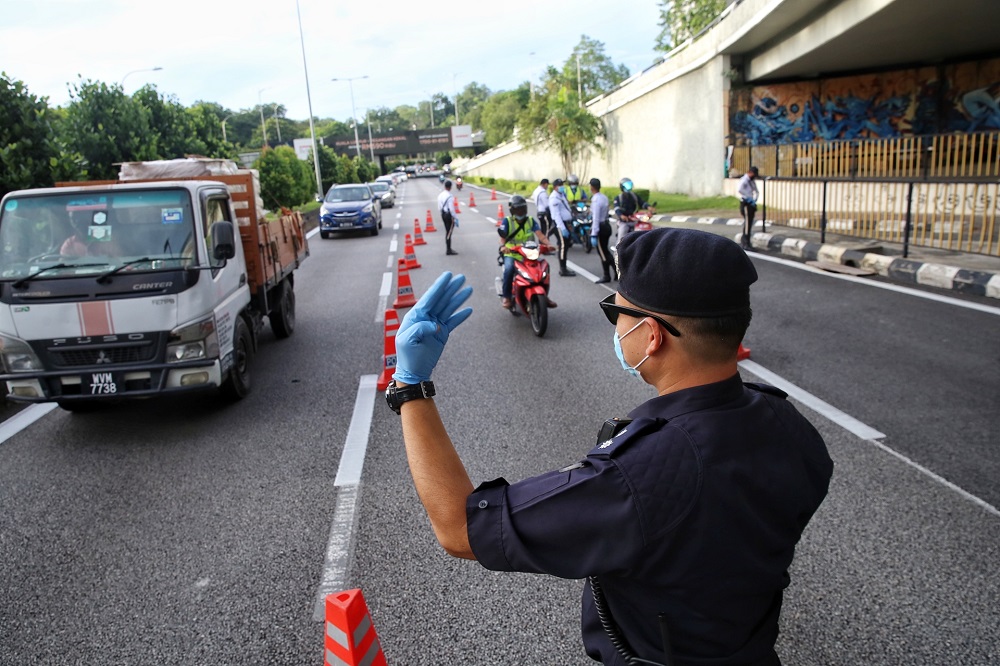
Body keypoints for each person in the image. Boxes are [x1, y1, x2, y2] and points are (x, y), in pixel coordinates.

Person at [386, 227, 833, 666]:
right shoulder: (790, 427)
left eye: (614, 313)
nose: (615, 326)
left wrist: (411, 387)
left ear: (652, 335)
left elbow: (459, 530)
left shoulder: (638, 476)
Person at [496, 194, 556, 310]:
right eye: (518, 209)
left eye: (522, 208)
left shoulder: (530, 221)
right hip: (512, 253)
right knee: (508, 270)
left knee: (543, 268)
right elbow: (502, 238)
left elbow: (540, 236)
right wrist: (503, 247)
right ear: (513, 210)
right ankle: (507, 296)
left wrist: (548, 244)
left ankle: (544, 296)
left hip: (529, 254)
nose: (521, 211)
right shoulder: (507, 221)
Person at [588, 178, 616, 283]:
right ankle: (616, 272)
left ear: (592, 187)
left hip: (600, 227)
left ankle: (606, 275)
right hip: (606, 225)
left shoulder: (595, 199)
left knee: (602, 253)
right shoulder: (604, 197)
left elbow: (595, 218)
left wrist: (594, 233)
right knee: (606, 250)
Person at [547, 178, 576, 277]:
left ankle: (564, 267)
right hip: (560, 224)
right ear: (555, 187)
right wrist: (562, 228)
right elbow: (557, 215)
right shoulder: (554, 198)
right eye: (560, 185)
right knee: (563, 246)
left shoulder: (561, 195)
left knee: (566, 245)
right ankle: (563, 269)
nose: (562, 187)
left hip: (566, 223)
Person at [738, 166, 760, 249]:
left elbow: (756, 191)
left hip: (751, 204)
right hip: (745, 203)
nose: (754, 176)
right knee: (747, 224)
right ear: (749, 172)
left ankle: (747, 241)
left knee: (750, 223)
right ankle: (745, 243)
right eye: (753, 174)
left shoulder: (752, 181)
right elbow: (740, 190)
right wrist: (748, 198)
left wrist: (754, 200)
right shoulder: (744, 180)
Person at [437, 179, 460, 256]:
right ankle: (448, 249)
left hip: (443, 214)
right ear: (450, 187)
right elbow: (452, 209)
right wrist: (455, 218)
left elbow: (439, 207)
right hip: (448, 215)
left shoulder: (440, 195)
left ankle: (448, 248)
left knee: (447, 231)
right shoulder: (450, 196)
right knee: (449, 232)